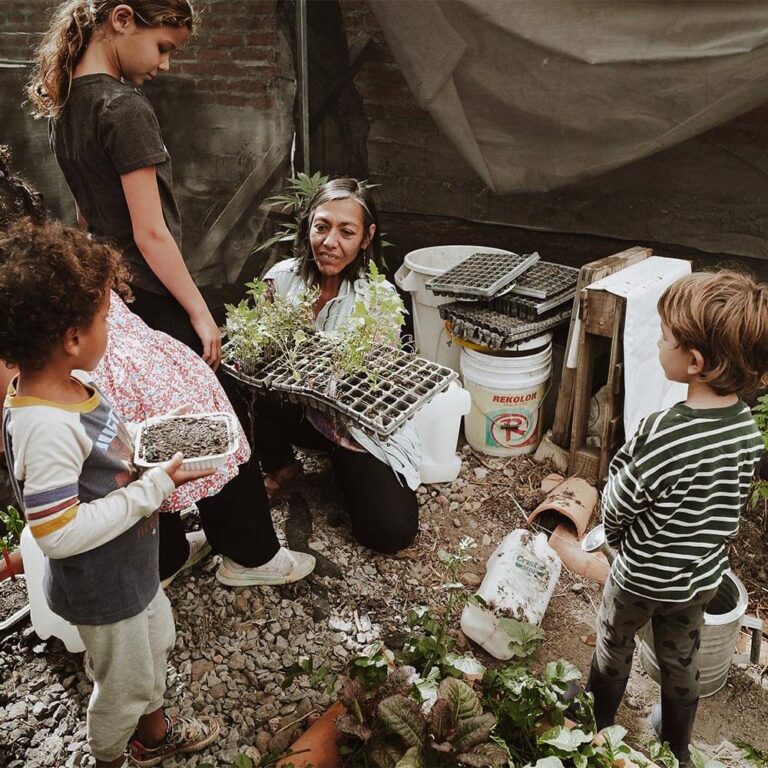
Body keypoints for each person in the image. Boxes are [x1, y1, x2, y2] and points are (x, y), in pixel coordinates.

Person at [27, 0, 315, 587]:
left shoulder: (67, 107)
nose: (163, 65)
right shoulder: (122, 107)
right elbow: (150, 231)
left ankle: (167, 551)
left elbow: (85, 216)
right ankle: (254, 556)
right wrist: (199, 312)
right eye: (164, 47)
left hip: (114, 294)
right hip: (152, 290)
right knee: (217, 417)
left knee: (148, 425)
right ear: (123, 19)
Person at [0, 218, 220, 768]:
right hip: (102, 586)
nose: (110, 331)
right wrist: (152, 489)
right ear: (72, 338)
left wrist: (144, 452)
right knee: (120, 688)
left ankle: (155, 733)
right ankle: (112, 756)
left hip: (130, 566)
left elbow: (97, 458)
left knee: (155, 647)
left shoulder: (66, 385)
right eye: (104, 320)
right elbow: (57, 532)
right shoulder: (44, 426)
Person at [587, 271, 767, 766]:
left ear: (695, 362)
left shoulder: (663, 432)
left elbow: (621, 502)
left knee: (615, 641)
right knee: (681, 657)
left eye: (664, 336)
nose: (657, 341)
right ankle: (677, 747)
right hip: (698, 578)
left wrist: (617, 539)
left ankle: (597, 724)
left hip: (641, 576)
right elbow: (726, 502)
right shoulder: (747, 430)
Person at [253, 178, 420, 554]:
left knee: (389, 533)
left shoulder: (378, 298)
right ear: (308, 224)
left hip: (351, 422)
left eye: (347, 232)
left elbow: (370, 389)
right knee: (242, 382)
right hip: (296, 408)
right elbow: (257, 353)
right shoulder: (281, 278)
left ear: (366, 237)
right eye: (322, 226)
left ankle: (345, 465)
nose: (330, 242)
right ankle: (283, 466)